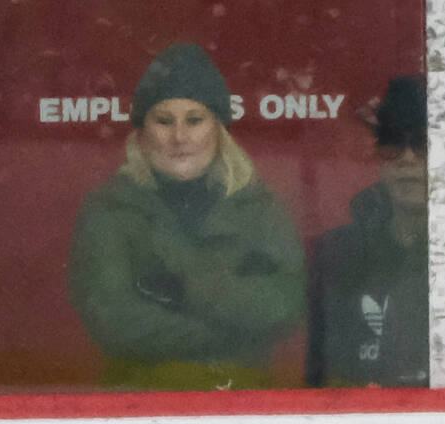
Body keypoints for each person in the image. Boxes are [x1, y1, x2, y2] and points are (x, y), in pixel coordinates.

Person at [67, 43, 304, 390]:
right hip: (141, 397)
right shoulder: (109, 209)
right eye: (164, 121)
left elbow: (284, 306)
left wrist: (186, 288)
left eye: (195, 120)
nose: (179, 137)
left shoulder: (260, 207)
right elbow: (114, 319)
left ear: (218, 129)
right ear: (142, 132)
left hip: (243, 399)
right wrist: (232, 332)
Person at [305, 76, 445, 389]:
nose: (407, 158)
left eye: (424, 144)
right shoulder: (339, 254)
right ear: (379, 161)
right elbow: (321, 376)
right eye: (392, 144)